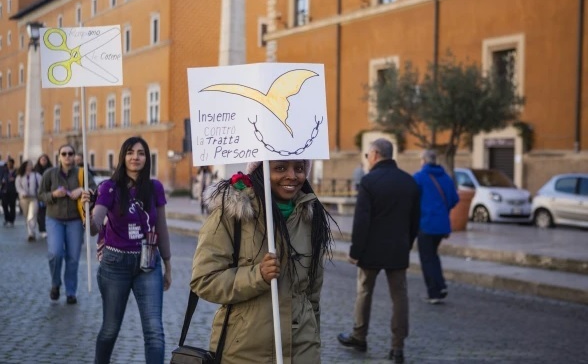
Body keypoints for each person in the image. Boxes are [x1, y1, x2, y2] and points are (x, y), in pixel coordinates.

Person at [191, 159, 334, 363]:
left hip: (302, 350)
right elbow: (204, 280)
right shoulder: (233, 212)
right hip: (244, 351)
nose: (292, 176)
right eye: (280, 168)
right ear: (260, 170)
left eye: (300, 168)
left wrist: (313, 340)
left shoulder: (311, 216)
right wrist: (257, 276)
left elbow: (312, 297)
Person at [81, 136, 172, 363]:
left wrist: (168, 265)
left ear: (146, 158)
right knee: (110, 329)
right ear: (123, 157)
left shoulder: (154, 187)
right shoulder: (108, 188)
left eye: (141, 153)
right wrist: (86, 212)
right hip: (115, 264)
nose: (135, 157)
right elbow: (94, 228)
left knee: (155, 332)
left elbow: (161, 226)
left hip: (149, 263)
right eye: (131, 152)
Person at [337, 138, 420, 364]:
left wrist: (355, 251)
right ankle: (397, 347)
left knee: (364, 292)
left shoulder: (369, 181)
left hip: (371, 250)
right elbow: (415, 221)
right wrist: (407, 243)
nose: (367, 159)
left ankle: (359, 336)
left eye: (367, 155)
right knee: (400, 297)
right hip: (398, 249)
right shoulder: (409, 182)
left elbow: (361, 222)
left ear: (374, 154)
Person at [38, 144, 96, 305]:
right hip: (54, 219)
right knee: (55, 253)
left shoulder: (82, 173)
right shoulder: (50, 174)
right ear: (59, 156)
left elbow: (95, 190)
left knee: (73, 258)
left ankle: (71, 292)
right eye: (64, 153)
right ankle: (55, 283)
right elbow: (40, 195)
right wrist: (53, 195)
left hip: (75, 220)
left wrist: (81, 191)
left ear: (74, 155)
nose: (67, 156)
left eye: (70, 153)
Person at [413, 149, 459, 304]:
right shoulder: (446, 177)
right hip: (442, 224)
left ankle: (434, 292)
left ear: (424, 161)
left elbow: (411, 198)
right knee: (433, 255)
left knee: (427, 258)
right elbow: (454, 199)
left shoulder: (419, 177)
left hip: (426, 223)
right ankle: (441, 285)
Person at [15, 160, 43, 242]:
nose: (30, 167)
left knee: (32, 215)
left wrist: (38, 192)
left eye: (31, 165)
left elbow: (41, 185)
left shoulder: (36, 175)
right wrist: (23, 193)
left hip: (33, 198)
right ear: (24, 166)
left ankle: (31, 233)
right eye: (28, 165)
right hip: (23, 199)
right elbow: (18, 187)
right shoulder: (20, 176)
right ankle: (30, 231)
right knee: (26, 216)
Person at [33, 154, 54, 238]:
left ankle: (49, 229)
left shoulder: (51, 170)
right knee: (40, 213)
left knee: (49, 213)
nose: (43, 161)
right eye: (42, 159)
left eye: (45, 159)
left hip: (49, 194)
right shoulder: (35, 171)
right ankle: (42, 229)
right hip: (39, 195)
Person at [1, 158, 18, 228]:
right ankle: (6, 218)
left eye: (10, 163)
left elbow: (19, 179)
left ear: (12, 164)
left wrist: (14, 179)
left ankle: (11, 220)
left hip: (13, 191)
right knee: (4, 205)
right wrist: (2, 181)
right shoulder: (4, 171)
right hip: (4, 190)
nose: (8, 165)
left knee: (12, 205)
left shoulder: (16, 172)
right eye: (7, 164)